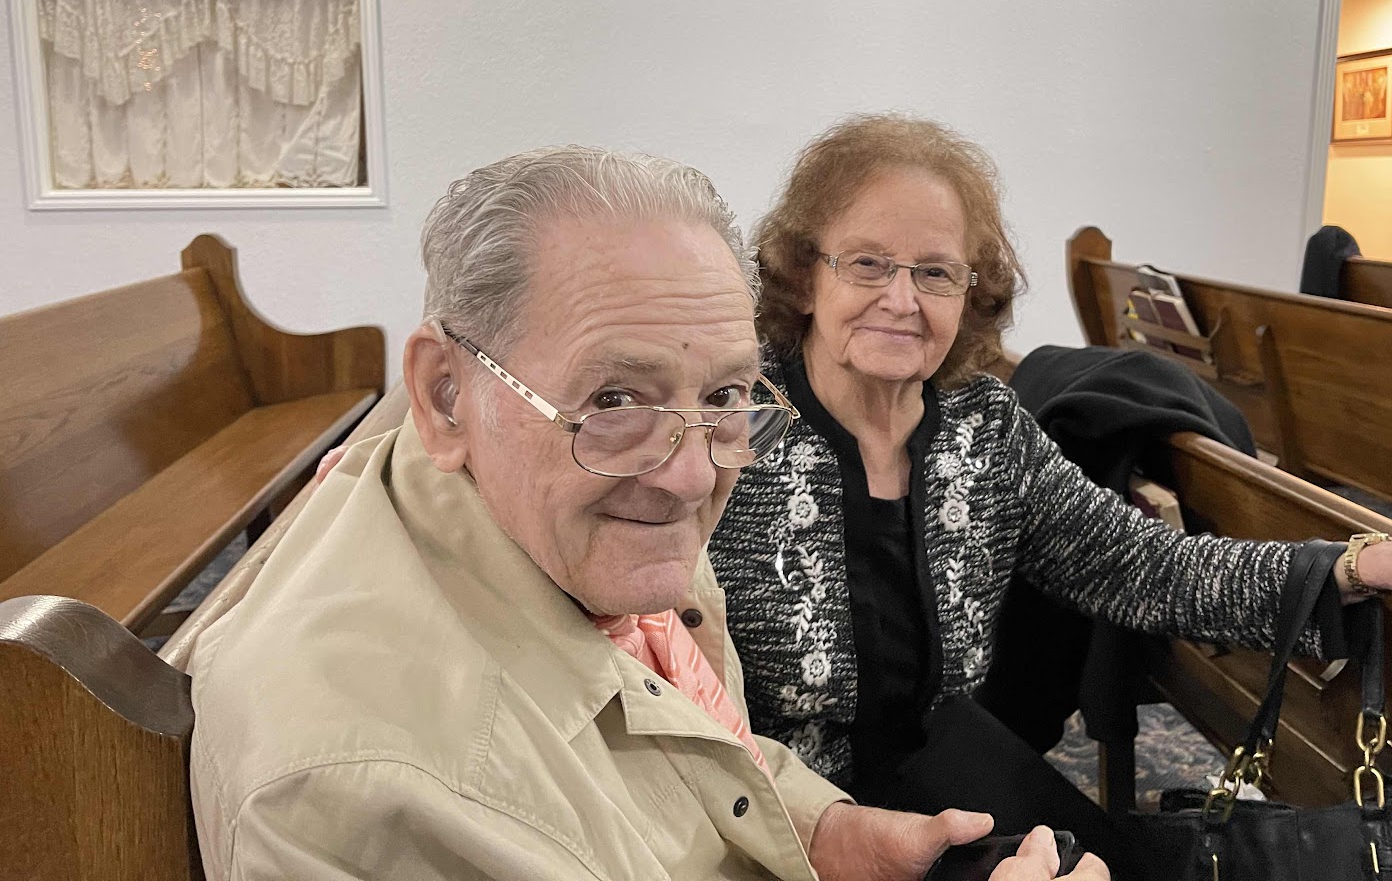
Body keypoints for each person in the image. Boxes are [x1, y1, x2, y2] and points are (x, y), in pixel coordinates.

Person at [189, 146, 1108, 881]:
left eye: (726, 396)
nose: (691, 476)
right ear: (444, 395)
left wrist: (826, 831)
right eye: (616, 399)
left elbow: (667, 747)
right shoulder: (378, 792)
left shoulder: (546, 519)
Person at [707, 113, 1392, 864]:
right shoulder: (729, 428)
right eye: (868, 264)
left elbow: (1147, 568)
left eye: (936, 272)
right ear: (804, 273)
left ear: (971, 293)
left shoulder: (983, 429)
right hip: (767, 825)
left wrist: (1366, 564)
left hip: (945, 800)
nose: (903, 299)